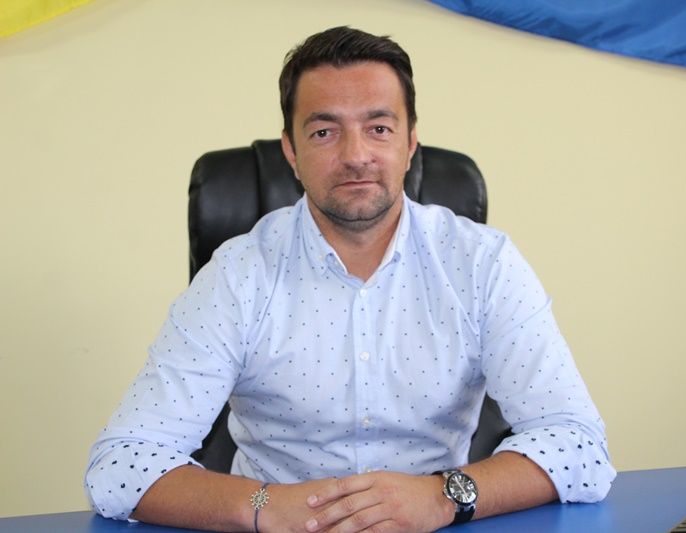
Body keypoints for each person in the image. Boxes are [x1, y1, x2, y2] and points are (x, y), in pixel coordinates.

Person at [85, 26, 615, 532]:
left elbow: (577, 443)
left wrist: (441, 497)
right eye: (324, 132)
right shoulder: (238, 274)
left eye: (379, 128)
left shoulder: (482, 264)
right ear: (291, 152)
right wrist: (267, 507)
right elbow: (121, 465)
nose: (355, 155)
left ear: (410, 143)